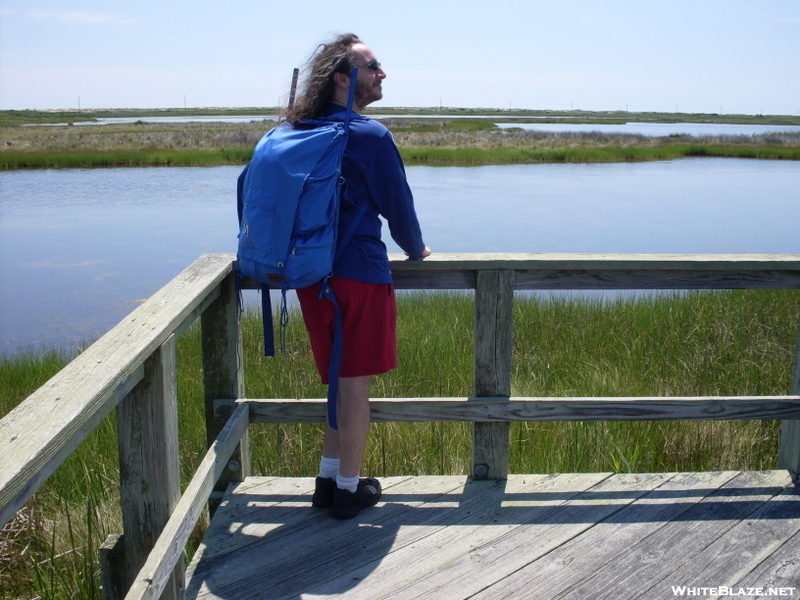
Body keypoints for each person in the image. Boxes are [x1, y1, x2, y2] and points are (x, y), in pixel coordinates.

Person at [285, 33, 430, 520]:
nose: (382, 73)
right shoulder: (369, 136)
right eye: (373, 67)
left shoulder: (301, 130)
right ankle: (349, 490)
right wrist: (416, 249)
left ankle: (327, 480)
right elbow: (399, 210)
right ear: (343, 79)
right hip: (358, 275)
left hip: (309, 275)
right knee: (355, 389)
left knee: (337, 382)